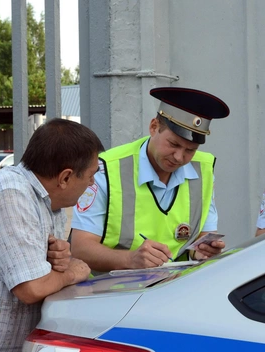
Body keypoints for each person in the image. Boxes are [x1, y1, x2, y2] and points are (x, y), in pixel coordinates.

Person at [0, 118, 104, 352]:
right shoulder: (10, 193)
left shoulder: (50, 203)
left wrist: (57, 262)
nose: (92, 183)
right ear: (65, 177)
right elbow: (31, 289)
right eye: (91, 176)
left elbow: (43, 276)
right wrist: (72, 272)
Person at [70, 87, 230, 275]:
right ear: (154, 127)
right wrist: (130, 259)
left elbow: (202, 235)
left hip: (174, 289)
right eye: (174, 144)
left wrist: (201, 251)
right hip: (112, 293)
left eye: (190, 150)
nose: (179, 157)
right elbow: (80, 248)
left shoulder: (203, 168)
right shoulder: (107, 169)